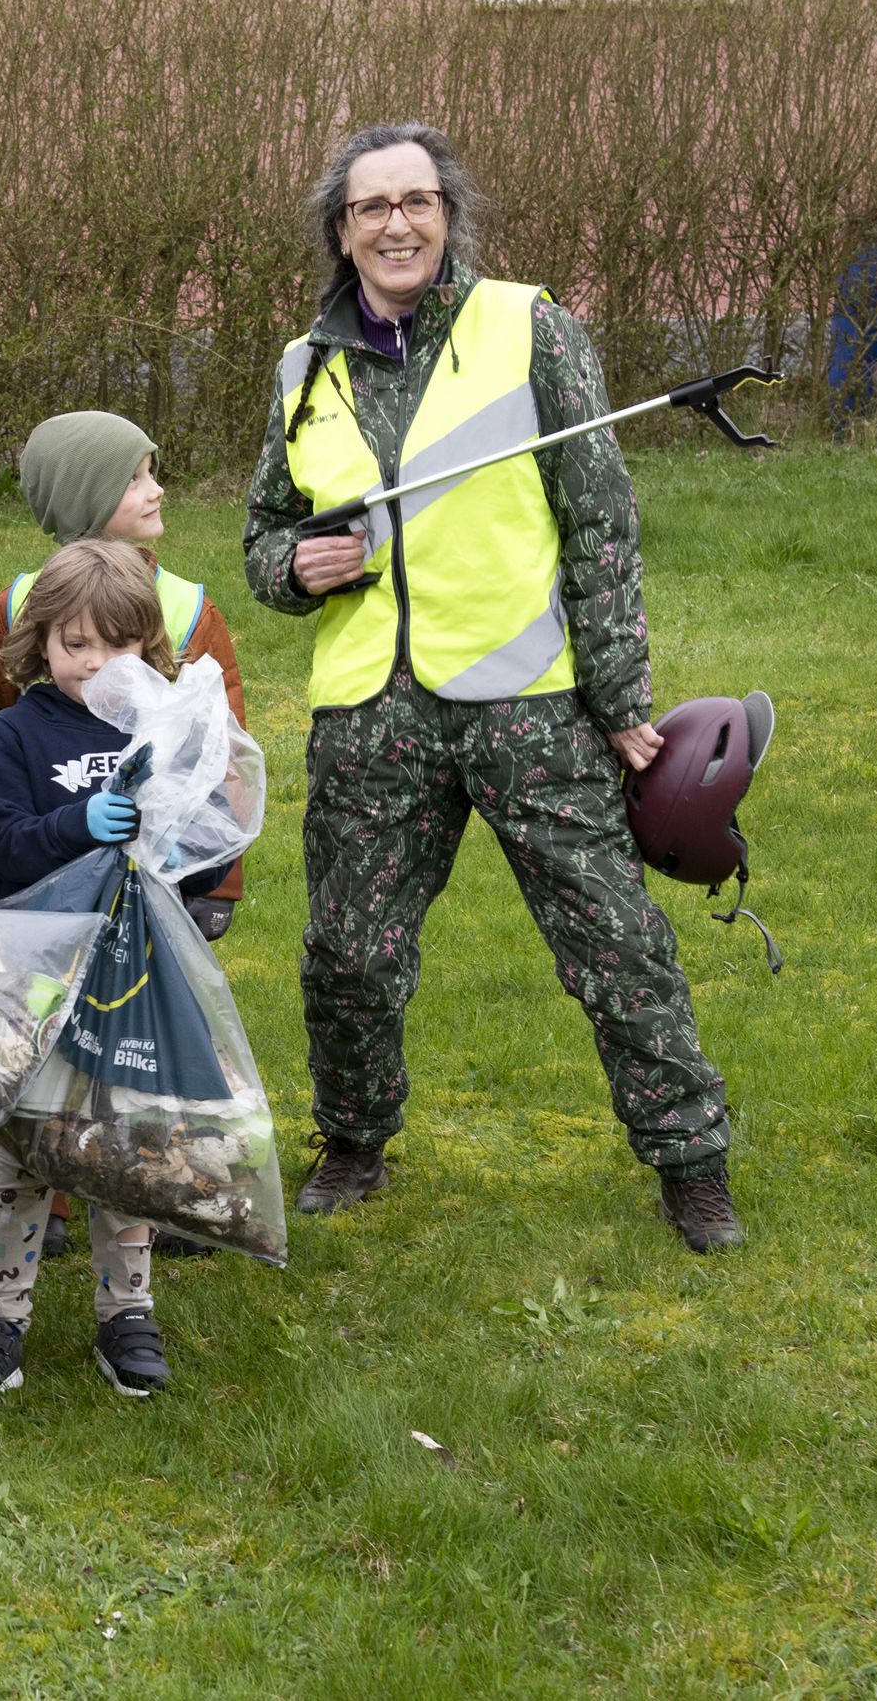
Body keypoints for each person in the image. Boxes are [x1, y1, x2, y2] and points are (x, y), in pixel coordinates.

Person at [241, 120, 743, 1251]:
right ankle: (354, 1142)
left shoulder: (529, 328)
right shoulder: (300, 366)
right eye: (370, 208)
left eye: (415, 201)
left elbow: (598, 518)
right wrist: (296, 566)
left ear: (446, 215)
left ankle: (690, 1161)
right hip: (371, 711)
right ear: (339, 231)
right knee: (348, 957)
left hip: (528, 703)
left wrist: (618, 697)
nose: (395, 224)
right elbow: (265, 538)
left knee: (612, 940)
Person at [0, 539, 226, 1406]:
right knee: (28, 1146)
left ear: (149, 644)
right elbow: (2, 848)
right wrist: (80, 823)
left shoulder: (164, 722)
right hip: (38, 973)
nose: (95, 662)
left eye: (119, 644)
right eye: (74, 644)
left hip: (134, 973)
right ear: (41, 643)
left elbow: (199, 864)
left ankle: (126, 1312)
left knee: (122, 1142)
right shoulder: (22, 732)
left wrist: (198, 834)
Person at [0, 412, 248, 941]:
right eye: (134, 478)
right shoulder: (17, 606)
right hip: (40, 926)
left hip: (148, 926)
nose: (98, 662)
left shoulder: (191, 607)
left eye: (119, 643)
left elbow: (217, 762)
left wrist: (217, 884)